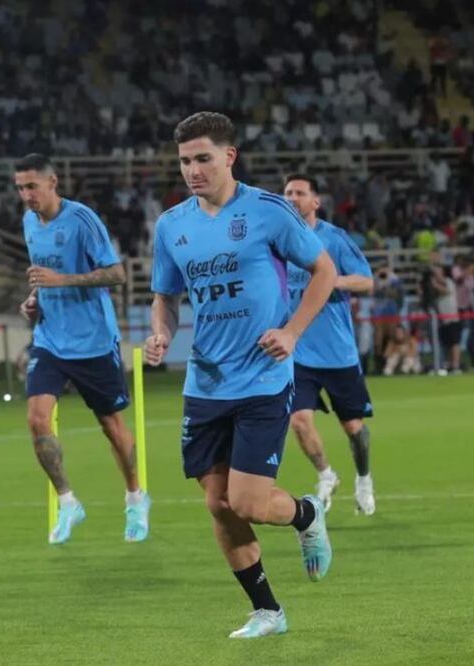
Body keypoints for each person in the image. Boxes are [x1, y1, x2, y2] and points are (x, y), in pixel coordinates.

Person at [144, 112, 336, 639]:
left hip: (262, 378)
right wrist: (161, 331)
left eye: (202, 158)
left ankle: (305, 512)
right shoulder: (172, 226)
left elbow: (324, 272)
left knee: (248, 501)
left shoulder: (269, 212)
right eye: (184, 161)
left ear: (230, 156)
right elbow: (166, 296)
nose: (192, 170)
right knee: (217, 502)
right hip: (205, 384)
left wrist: (293, 332)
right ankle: (268, 612)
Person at [15, 153, 151, 545]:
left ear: (52, 182)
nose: (26, 195)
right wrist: (35, 298)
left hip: (92, 341)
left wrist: (61, 280)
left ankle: (135, 497)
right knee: (37, 419)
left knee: (111, 426)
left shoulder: (81, 219)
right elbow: (43, 278)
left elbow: (116, 274)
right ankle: (68, 501)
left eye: (32, 186)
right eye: (21, 188)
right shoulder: (28, 222)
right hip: (50, 338)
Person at [282, 174, 377, 515]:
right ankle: (326, 475)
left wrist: (329, 279)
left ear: (315, 202)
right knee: (299, 421)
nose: (292, 197)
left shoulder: (334, 239)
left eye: (300, 193)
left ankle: (364, 479)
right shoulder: (276, 242)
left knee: (354, 428)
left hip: (337, 353)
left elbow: (366, 281)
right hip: (297, 351)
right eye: (288, 192)